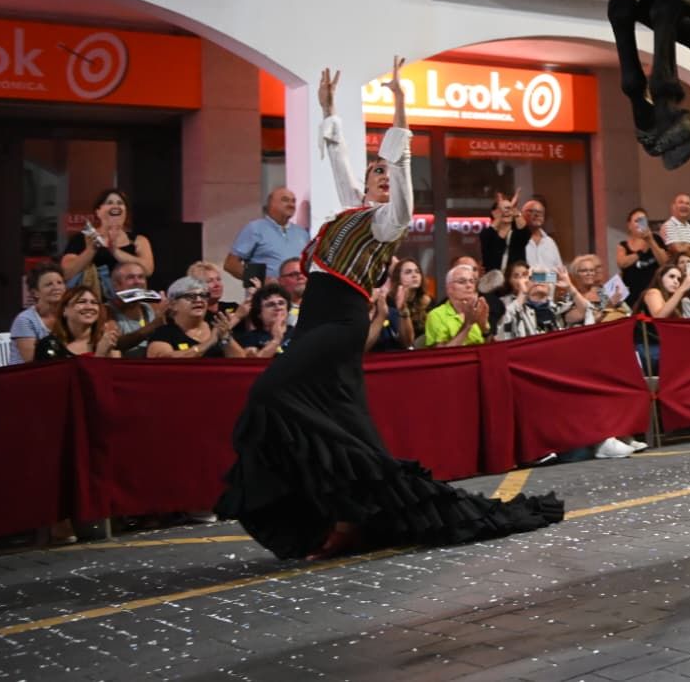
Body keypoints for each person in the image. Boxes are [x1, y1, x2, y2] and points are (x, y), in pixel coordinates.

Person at [216, 60, 562, 561]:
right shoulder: (350, 212)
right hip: (314, 322)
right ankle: (350, 519)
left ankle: (343, 515)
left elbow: (398, 169)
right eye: (375, 172)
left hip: (339, 324)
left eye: (387, 172)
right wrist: (328, 111)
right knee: (343, 426)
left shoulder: (386, 222)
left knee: (271, 392)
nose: (382, 177)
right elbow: (338, 161)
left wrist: (399, 106)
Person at [60, 188, 155, 299]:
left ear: (126, 212)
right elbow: (66, 273)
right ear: (98, 212)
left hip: (130, 301)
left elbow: (148, 270)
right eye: (109, 202)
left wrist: (116, 252)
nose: (115, 206)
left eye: (120, 203)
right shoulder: (82, 239)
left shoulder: (138, 240)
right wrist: (90, 250)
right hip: (93, 302)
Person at [146, 276, 246, 358]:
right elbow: (163, 360)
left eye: (203, 295)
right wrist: (209, 342)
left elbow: (241, 362)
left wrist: (226, 337)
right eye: (190, 296)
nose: (199, 300)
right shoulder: (164, 333)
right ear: (173, 304)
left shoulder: (216, 325)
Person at [225, 187, 309, 282]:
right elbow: (230, 264)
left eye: (293, 201)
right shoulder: (255, 228)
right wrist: (261, 281)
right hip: (267, 290)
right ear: (271, 204)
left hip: (297, 290)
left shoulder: (302, 233)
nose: (291, 205)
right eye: (285, 200)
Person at [33, 286, 120, 361]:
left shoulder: (107, 343)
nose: (89, 307)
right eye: (81, 301)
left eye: (94, 302)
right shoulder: (48, 345)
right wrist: (100, 355)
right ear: (64, 310)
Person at [9, 261, 65, 365]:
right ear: (35, 292)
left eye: (60, 282)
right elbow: (31, 362)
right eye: (49, 284)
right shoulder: (25, 320)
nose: (56, 287)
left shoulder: (68, 315)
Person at [424, 263, 490, 347]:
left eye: (472, 281)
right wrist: (467, 325)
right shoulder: (436, 315)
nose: (469, 285)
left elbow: (491, 349)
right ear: (449, 288)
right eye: (462, 282)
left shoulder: (477, 310)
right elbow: (441, 353)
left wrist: (484, 329)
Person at [233, 283, 291, 358]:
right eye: (270, 305)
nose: (278, 307)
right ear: (259, 314)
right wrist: (276, 340)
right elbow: (254, 364)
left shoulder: (299, 334)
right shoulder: (249, 338)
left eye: (281, 303)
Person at [479, 192, 529, 275]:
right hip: (493, 280)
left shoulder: (517, 233)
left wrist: (514, 209)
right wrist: (501, 215)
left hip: (515, 279)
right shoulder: (487, 234)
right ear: (494, 213)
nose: (506, 211)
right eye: (502, 209)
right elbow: (487, 239)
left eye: (509, 209)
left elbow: (525, 232)